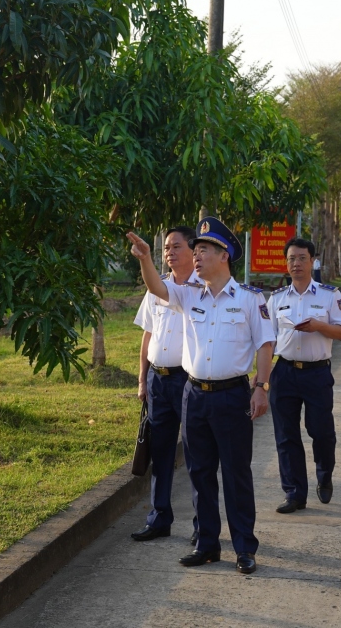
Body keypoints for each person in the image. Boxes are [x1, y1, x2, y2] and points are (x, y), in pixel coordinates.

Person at [126, 217, 275, 575]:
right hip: (194, 394)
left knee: (236, 475)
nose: (196, 256)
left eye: (204, 250)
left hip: (232, 395)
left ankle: (244, 548)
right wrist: (146, 258)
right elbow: (157, 290)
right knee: (199, 473)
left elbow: (266, 343)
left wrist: (261, 387)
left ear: (224, 255)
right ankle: (207, 544)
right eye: (196, 250)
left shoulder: (250, 299)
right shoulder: (187, 294)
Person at [265, 238, 341, 514]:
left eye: (302, 258)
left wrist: (318, 326)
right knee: (286, 435)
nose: (296, 264)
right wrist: (261, 379)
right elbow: (267, 341)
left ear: (313, 261)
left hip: (317, 373)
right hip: (285, 372)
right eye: (291, 259)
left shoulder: (329, 295)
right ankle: (294, 493)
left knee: (321, 431)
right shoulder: (277, 299)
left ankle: (324, 474)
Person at [131, 226, 200, 543]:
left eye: (176, 246)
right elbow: (148, 335)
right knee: (160, 452)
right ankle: (159, 518)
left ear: (193, 250)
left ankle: (203, 524)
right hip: (159, 380)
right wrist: (143, 377)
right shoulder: (155, 288)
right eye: (166, 248)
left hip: (190, 381)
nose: (169, 252)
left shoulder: (204, 290)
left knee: (198, 453)